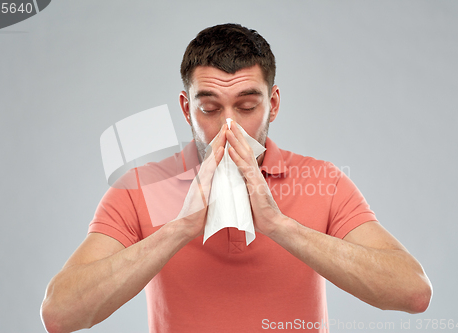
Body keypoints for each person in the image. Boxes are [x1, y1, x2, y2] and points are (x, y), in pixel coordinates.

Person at [41, 23, 432, 333]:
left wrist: (280, 226)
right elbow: (60, 315)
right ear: (186, 108)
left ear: (273, 104)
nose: (229, 126)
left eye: (246, 106)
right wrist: (178, 229)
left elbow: (412, 292)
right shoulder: (139, 189)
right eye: (210, 108)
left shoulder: (323, 181)